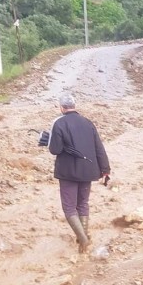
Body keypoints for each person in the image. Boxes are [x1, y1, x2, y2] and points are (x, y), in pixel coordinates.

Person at [48, 92, 110, 253]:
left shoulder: (59, 124)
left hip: (68, 173)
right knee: (83, 204)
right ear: (74, 106)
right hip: (88, 171)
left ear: (61, 108)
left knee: (69, 208)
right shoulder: (88, 123)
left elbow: (55, 150)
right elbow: (99, 148)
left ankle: (83, 239)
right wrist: (105, 170)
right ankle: (82, 243)